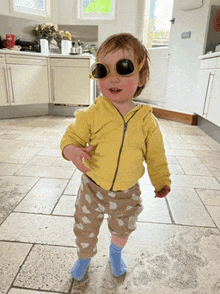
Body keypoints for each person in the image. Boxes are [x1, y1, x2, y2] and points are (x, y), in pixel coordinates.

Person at [60, 33, 171, 281]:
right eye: (103, 70)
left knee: (123, 227)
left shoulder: (147, 121)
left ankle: (116, 252)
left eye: (123, 68)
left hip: (126, 191)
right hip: (93, 188)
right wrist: (72, 151)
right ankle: (84, 257)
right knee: (84, 228)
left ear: (141, 76)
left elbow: (156, 155)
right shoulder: (92, 114)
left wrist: (161, 180)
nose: (112, 78)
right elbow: (70, 138)